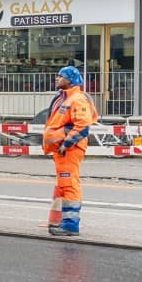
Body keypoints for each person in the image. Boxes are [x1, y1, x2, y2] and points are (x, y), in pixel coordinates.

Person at [42, 65, 97, 237]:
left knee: (69, 184)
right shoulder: (65, 98)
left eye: (61, 76)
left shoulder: (77, 99)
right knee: (66, 184)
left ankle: (70, 225)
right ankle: (67, 223)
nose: (57, 78)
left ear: (70, 80)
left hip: (69, 150)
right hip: (62, 150)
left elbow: (83, 126)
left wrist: (66, 144)